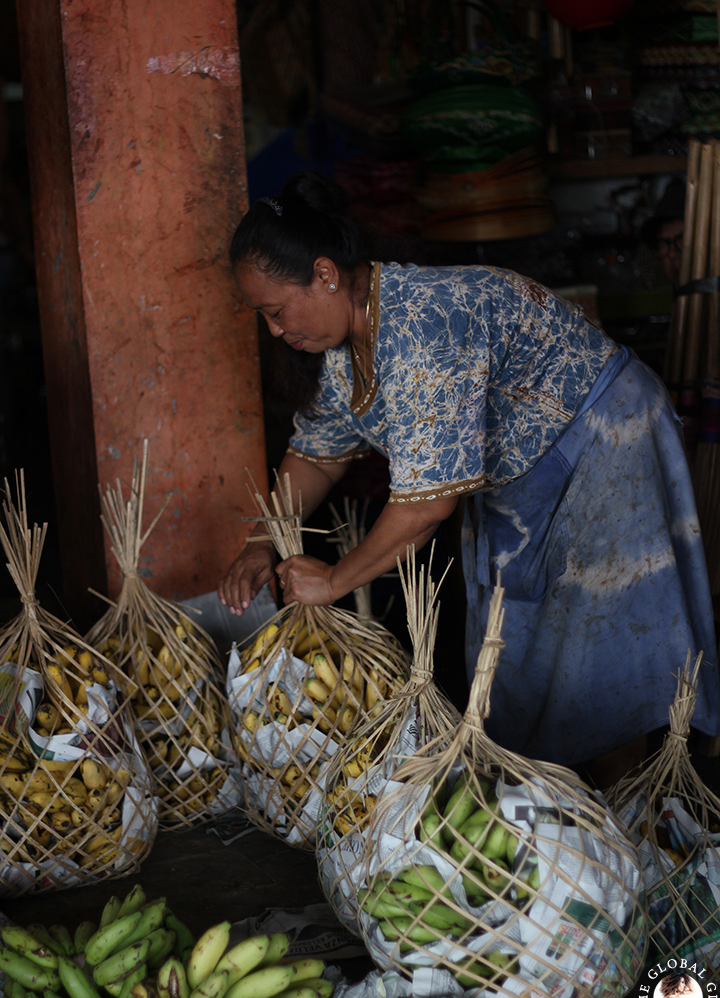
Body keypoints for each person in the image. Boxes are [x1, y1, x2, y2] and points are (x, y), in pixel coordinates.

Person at [218, 170, 720, 788]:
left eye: (275, 310)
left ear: (324, 275)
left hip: (602, 443)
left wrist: (335, 579)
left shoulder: (425, 326)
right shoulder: (342, 349)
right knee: (517, 657)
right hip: (524, 474)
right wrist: (262, 538)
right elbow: (319, 454)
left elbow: (426, 509)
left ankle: (633, 811)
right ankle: (569, 807)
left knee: (594, 656)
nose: (274, 330)